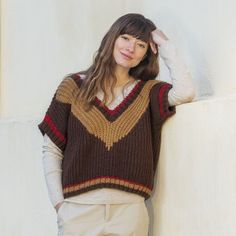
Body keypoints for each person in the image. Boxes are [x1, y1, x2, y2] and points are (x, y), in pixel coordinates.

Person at [38, 13, 195, 236]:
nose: (131, 48)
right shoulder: (72, 86)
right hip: (78, 211)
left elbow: (185, 92)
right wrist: (60, 206)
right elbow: (51, 148)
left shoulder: (148, 92)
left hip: (129, 212)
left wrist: (165, 45)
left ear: (146, 54)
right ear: (112, 38)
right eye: (126, 38)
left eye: (141, 44)